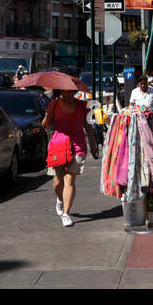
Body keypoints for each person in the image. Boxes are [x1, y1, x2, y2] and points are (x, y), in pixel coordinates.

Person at [42, 88, 95, 228]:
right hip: (58, 146)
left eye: (69, 92)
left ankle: (66, 214)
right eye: (63, 92)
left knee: (69, 179)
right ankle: (60, 199)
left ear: (74, 92)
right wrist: (48, 115)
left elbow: (88, 127)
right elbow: (45, 126)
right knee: (57, 183)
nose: (66, 95)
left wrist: (94, 146)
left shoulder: (83, 105)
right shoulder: (53, 104)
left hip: (78, 146)